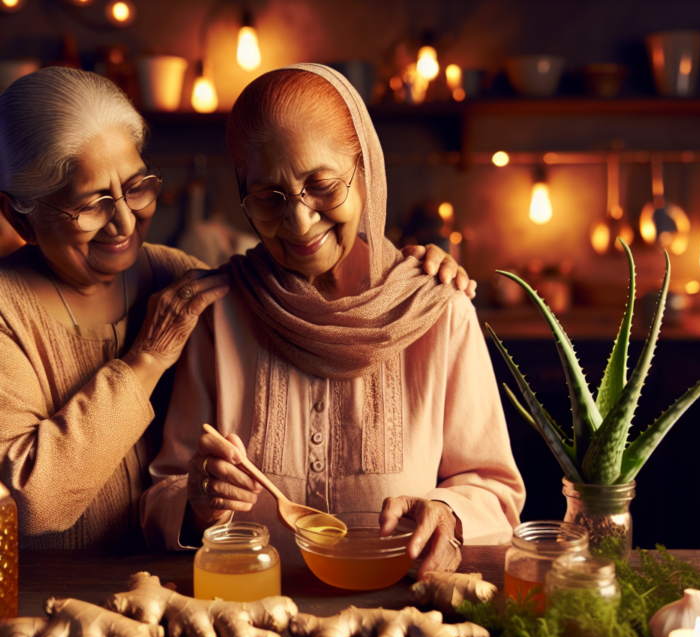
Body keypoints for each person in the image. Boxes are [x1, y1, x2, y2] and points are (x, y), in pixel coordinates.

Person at [0, 67, 467, 550]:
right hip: (37, 587)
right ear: (19, 217)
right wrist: (148, 359)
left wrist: (415, 278)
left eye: (136, 187)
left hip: (162, 584)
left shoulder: (186, 282)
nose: (124, 223)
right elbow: (30, 503)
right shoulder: (198, 307)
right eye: (90, 204)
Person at [142, 64, 525, 576]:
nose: (299, 222)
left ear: (367, 173)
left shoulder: (439, 310)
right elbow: (164, 492)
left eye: (322, 185)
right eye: (269, 197)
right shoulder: (219, 312)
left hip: (397, 610)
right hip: (249, 608)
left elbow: (495, 492)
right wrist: (198, 503)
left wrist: (448, 513)